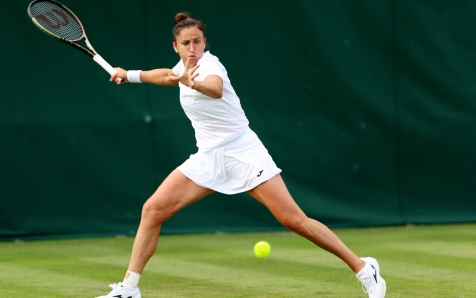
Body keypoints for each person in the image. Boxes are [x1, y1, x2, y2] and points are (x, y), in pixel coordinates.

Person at [97, 12, 386, 298]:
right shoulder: (180, 68)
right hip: (208, 157)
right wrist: (129, 75)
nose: (192, 48)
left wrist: (192, 82)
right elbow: (165, 76)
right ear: (176, 46)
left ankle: (364, 268)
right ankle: (129, 289)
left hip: (243, 152)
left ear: (204, 42)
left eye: (197, 42)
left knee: (294, 220)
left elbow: (216, 89)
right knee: (153, 210)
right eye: (186, 44)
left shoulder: (211, 66)